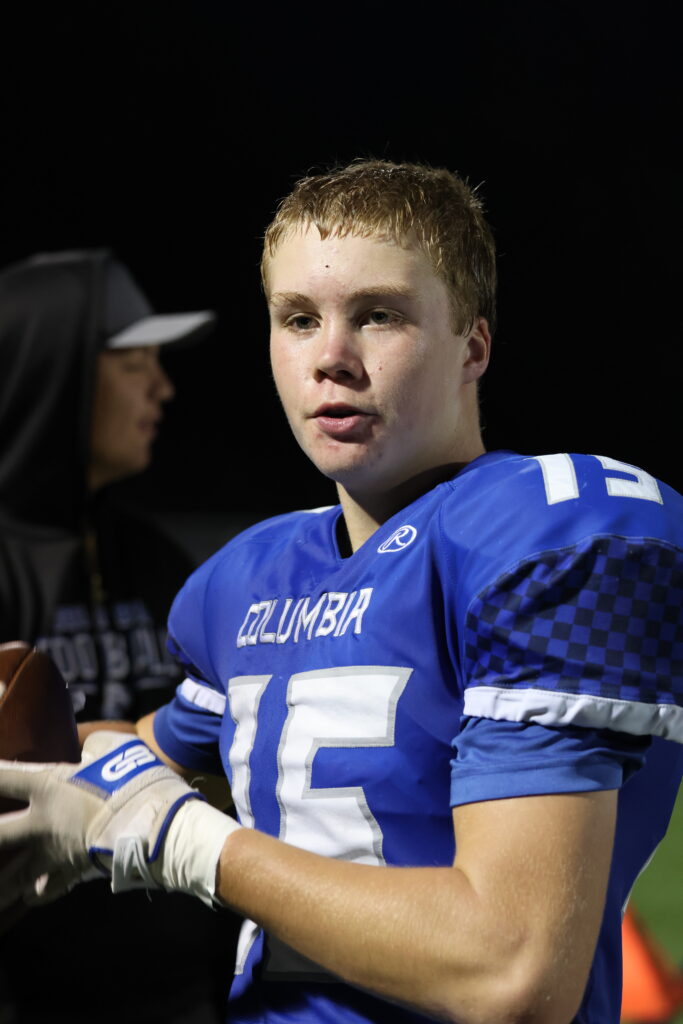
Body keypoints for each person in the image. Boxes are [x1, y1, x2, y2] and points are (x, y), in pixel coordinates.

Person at [1, 163, 682, 1024]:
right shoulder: (246, 579)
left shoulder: (554, 536)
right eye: (298, 319)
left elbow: (513, 969)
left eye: (378, 315)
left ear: (472, 347)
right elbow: (147, 757)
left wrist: (182, 839)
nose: (330, 358)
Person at [0, 249, 240, 1023]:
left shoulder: (158, 560)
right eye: (134, 364)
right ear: (54, 376)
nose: (161, 387)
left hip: (181, 988)